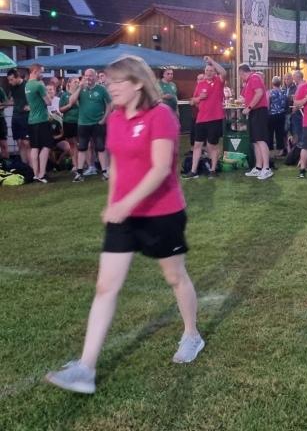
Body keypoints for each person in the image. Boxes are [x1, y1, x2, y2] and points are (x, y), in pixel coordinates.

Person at [45, 55, 204, 395]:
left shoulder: (161, 116)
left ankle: (192, 334)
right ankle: (86, 367)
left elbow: (160, 168)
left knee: (175, 277)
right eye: (109, 81)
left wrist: (126, 204)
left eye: (117, 81)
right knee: (105, 286)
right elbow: (116, 163)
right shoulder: (116, 117)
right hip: (124, 216)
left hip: (162, 212)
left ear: (137, 84)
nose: (111, 87)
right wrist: (113, 202)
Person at [183, 57, 226, 179]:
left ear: (214, 72)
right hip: (201, 119)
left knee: (212, 145)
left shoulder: (218, 81)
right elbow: (192, 101)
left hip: (215, 118)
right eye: (207, 70)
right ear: (204, 71)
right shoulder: (200, 84)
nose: (208, 72)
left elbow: (223, 72)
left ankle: (213, 170)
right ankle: (193, 170)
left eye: (211, 70)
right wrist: (199, 98)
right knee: (197, 145)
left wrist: (212, 61)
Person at [68, 68, 111, 182]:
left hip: (98, 123)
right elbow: (71, 101)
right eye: (86, 76)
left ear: (95, 77)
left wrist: (104, 119)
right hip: (83, 123)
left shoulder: (101, 89)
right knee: (82, 147)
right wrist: (79, 88)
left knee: (101, 147)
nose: (88, 78)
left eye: (90, 75)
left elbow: (109, 104)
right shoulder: (81, 89)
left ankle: (105, 172)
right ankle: (79, 173)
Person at [239, 63, 273, 180]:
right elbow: (246, 96)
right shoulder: (249, 81)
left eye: (240, 75)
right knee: (255, 141)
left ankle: (267, 168)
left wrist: (249, 107)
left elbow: (259, 93)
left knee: (261, 139)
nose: (240, 77)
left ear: (242, 72)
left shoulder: (254, 78)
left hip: (259, 111)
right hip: (254, 112)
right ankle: (258, 167)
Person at [25, 64, 53, 183]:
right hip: (41, 120)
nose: (43, 74)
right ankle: (42, 174)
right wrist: (45, 90)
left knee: (35, 147)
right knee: (46, 146)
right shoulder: (39, 85)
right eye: (41, 72)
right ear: (35, 71)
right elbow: (49, 102)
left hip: (31, 120)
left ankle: (35, 174)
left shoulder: (27, 85)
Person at [6, 68, 30, 165]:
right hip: (15, 117)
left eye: (11, 80)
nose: (10, 82)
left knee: (26, 143)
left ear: (17, 77)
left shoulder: (27, 85)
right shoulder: (12, 87)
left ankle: (31, 166)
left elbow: (36, 99)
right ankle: (24, 166)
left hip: (25, 117)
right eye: (8, 80)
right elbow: (12, 101)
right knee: (19, 143)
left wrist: (30, 106)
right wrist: (3, 104)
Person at [59, 78, 80, 172]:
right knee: (72, 144)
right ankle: (75, 164)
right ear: (69, 83)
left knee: (80, 143)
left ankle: (82, 164)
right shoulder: (64, 95)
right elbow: (61, 109)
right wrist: (69, 105)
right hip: (68, 121)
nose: (77, 83)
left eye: (78, 82)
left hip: (80, 121)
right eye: (75, 82)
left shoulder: (81, 94)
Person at [267, 76, 287, 159]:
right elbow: (286, 103)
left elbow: (268, 104)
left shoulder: (270, 92)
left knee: (270, 133)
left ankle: (270, 152)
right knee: (280, 133)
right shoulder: (283, 92)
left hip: (272, 114)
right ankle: (281, 151)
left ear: (272, 83)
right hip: (281, 114)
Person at [0, 84, 8, 160]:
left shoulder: (0, 90)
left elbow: (7, 103)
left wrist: (1, 106)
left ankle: (6, 162)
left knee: (3, 143)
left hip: (1, 119)